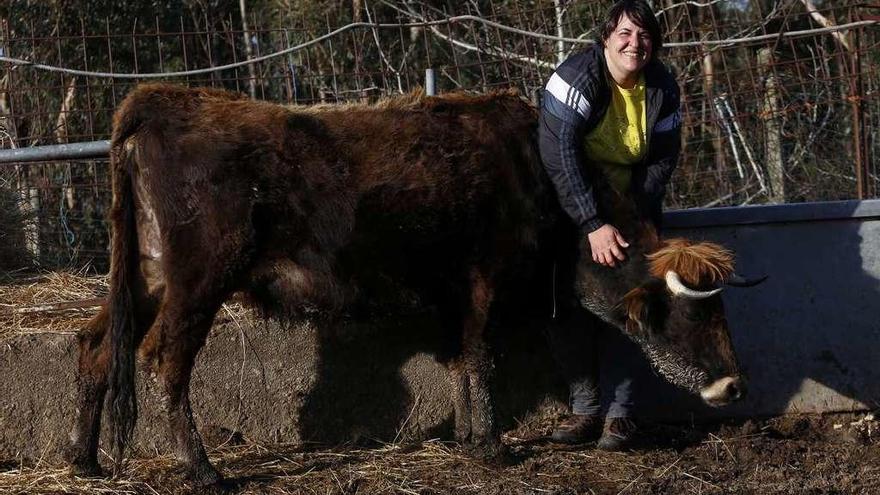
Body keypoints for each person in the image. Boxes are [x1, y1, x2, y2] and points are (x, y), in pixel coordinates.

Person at [538, 0, 682, 451]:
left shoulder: (662, 87)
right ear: (605, 38)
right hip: (569, 207)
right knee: (564, 305)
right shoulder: (576, 78)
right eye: (624, 33)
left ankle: (620, 417)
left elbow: (662, 157)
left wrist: (633, 220)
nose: (633, 44)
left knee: (632, 307)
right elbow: (558, 155)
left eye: (643, 37)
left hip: (629, 210)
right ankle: (584, 409)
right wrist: (593, 223)